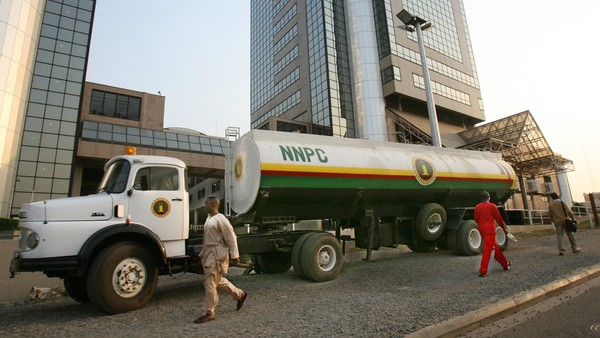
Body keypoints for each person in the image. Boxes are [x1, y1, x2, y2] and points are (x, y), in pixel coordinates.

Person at [195, 196, 248, 324]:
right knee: (217, 281)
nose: (204, 206)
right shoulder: (209, 219)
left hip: (216, 255)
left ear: (214, 204)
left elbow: (231, 237)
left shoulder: (221, 219)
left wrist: (234, 255)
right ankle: (240, 295)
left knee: (210, 282)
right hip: (209, 254)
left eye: (206, 204)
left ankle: (209, 312)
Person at [474, 191, 511, 277]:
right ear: (489, 198)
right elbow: (498, 219)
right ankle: (483, 270)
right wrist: (504, 229)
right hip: (490, 231)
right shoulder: (492, 206)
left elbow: (476, 219)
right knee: (488, 250)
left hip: (482, 231)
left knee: (495, 249)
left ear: (481, 198)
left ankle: (505, 264)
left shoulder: (477, 207)